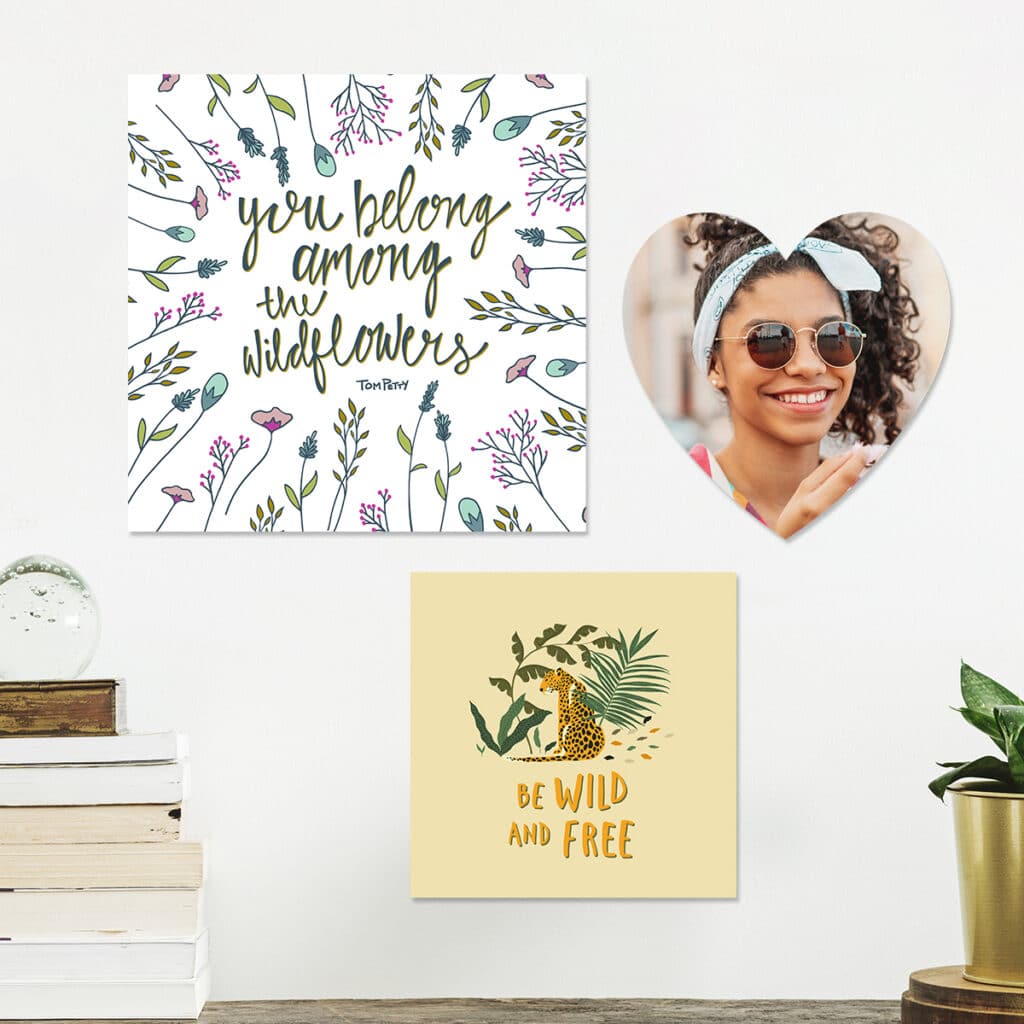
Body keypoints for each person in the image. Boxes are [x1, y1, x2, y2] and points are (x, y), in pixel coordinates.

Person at [686, 215, 920, 538]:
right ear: (715, 364)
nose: (809, 366)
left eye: (834, 336)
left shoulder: (885, 501)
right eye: (768, 339)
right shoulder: (668, 499)